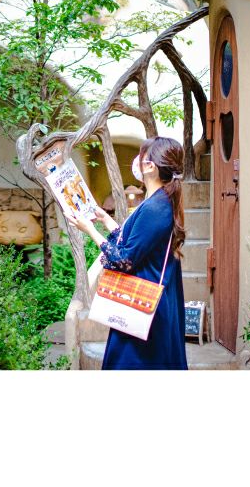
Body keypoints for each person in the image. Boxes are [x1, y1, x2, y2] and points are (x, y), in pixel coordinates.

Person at [66, 136, 188, 370]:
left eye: (142, 156)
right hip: (144, 304)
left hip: (144, 308)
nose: (137, 161)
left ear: (151, 166)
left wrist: (90, 230)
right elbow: (136, 242)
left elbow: (124, 259)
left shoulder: (156, 206)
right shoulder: (157, 201)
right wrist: (105, 220)